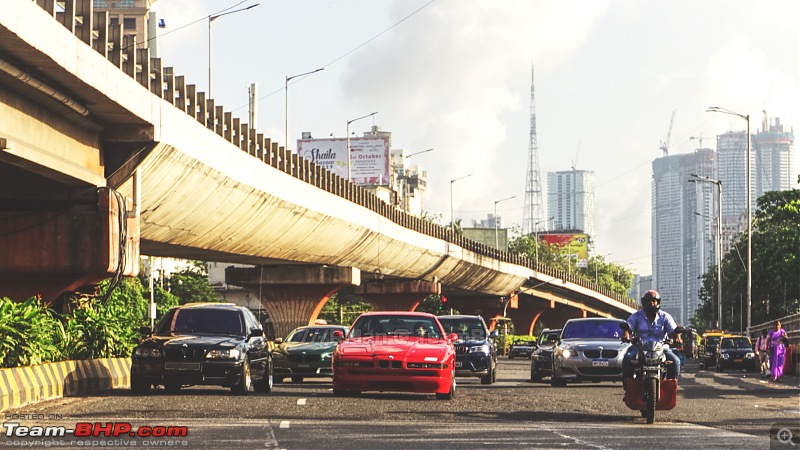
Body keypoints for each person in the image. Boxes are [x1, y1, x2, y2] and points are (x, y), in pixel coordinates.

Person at [621, 290, 683, 385]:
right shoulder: (636, 316)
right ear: (643, 303)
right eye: (648, 301)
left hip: (661, 348)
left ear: (658, 302)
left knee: (675, 361)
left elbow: (673, 331)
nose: (651, 303)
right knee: (628, 358)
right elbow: (628, 326)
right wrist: (626, 333)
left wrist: (677, 337)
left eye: (654, 301)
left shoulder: (665, 317)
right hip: (640, 347)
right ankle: (628, 384)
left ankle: (671, 387)